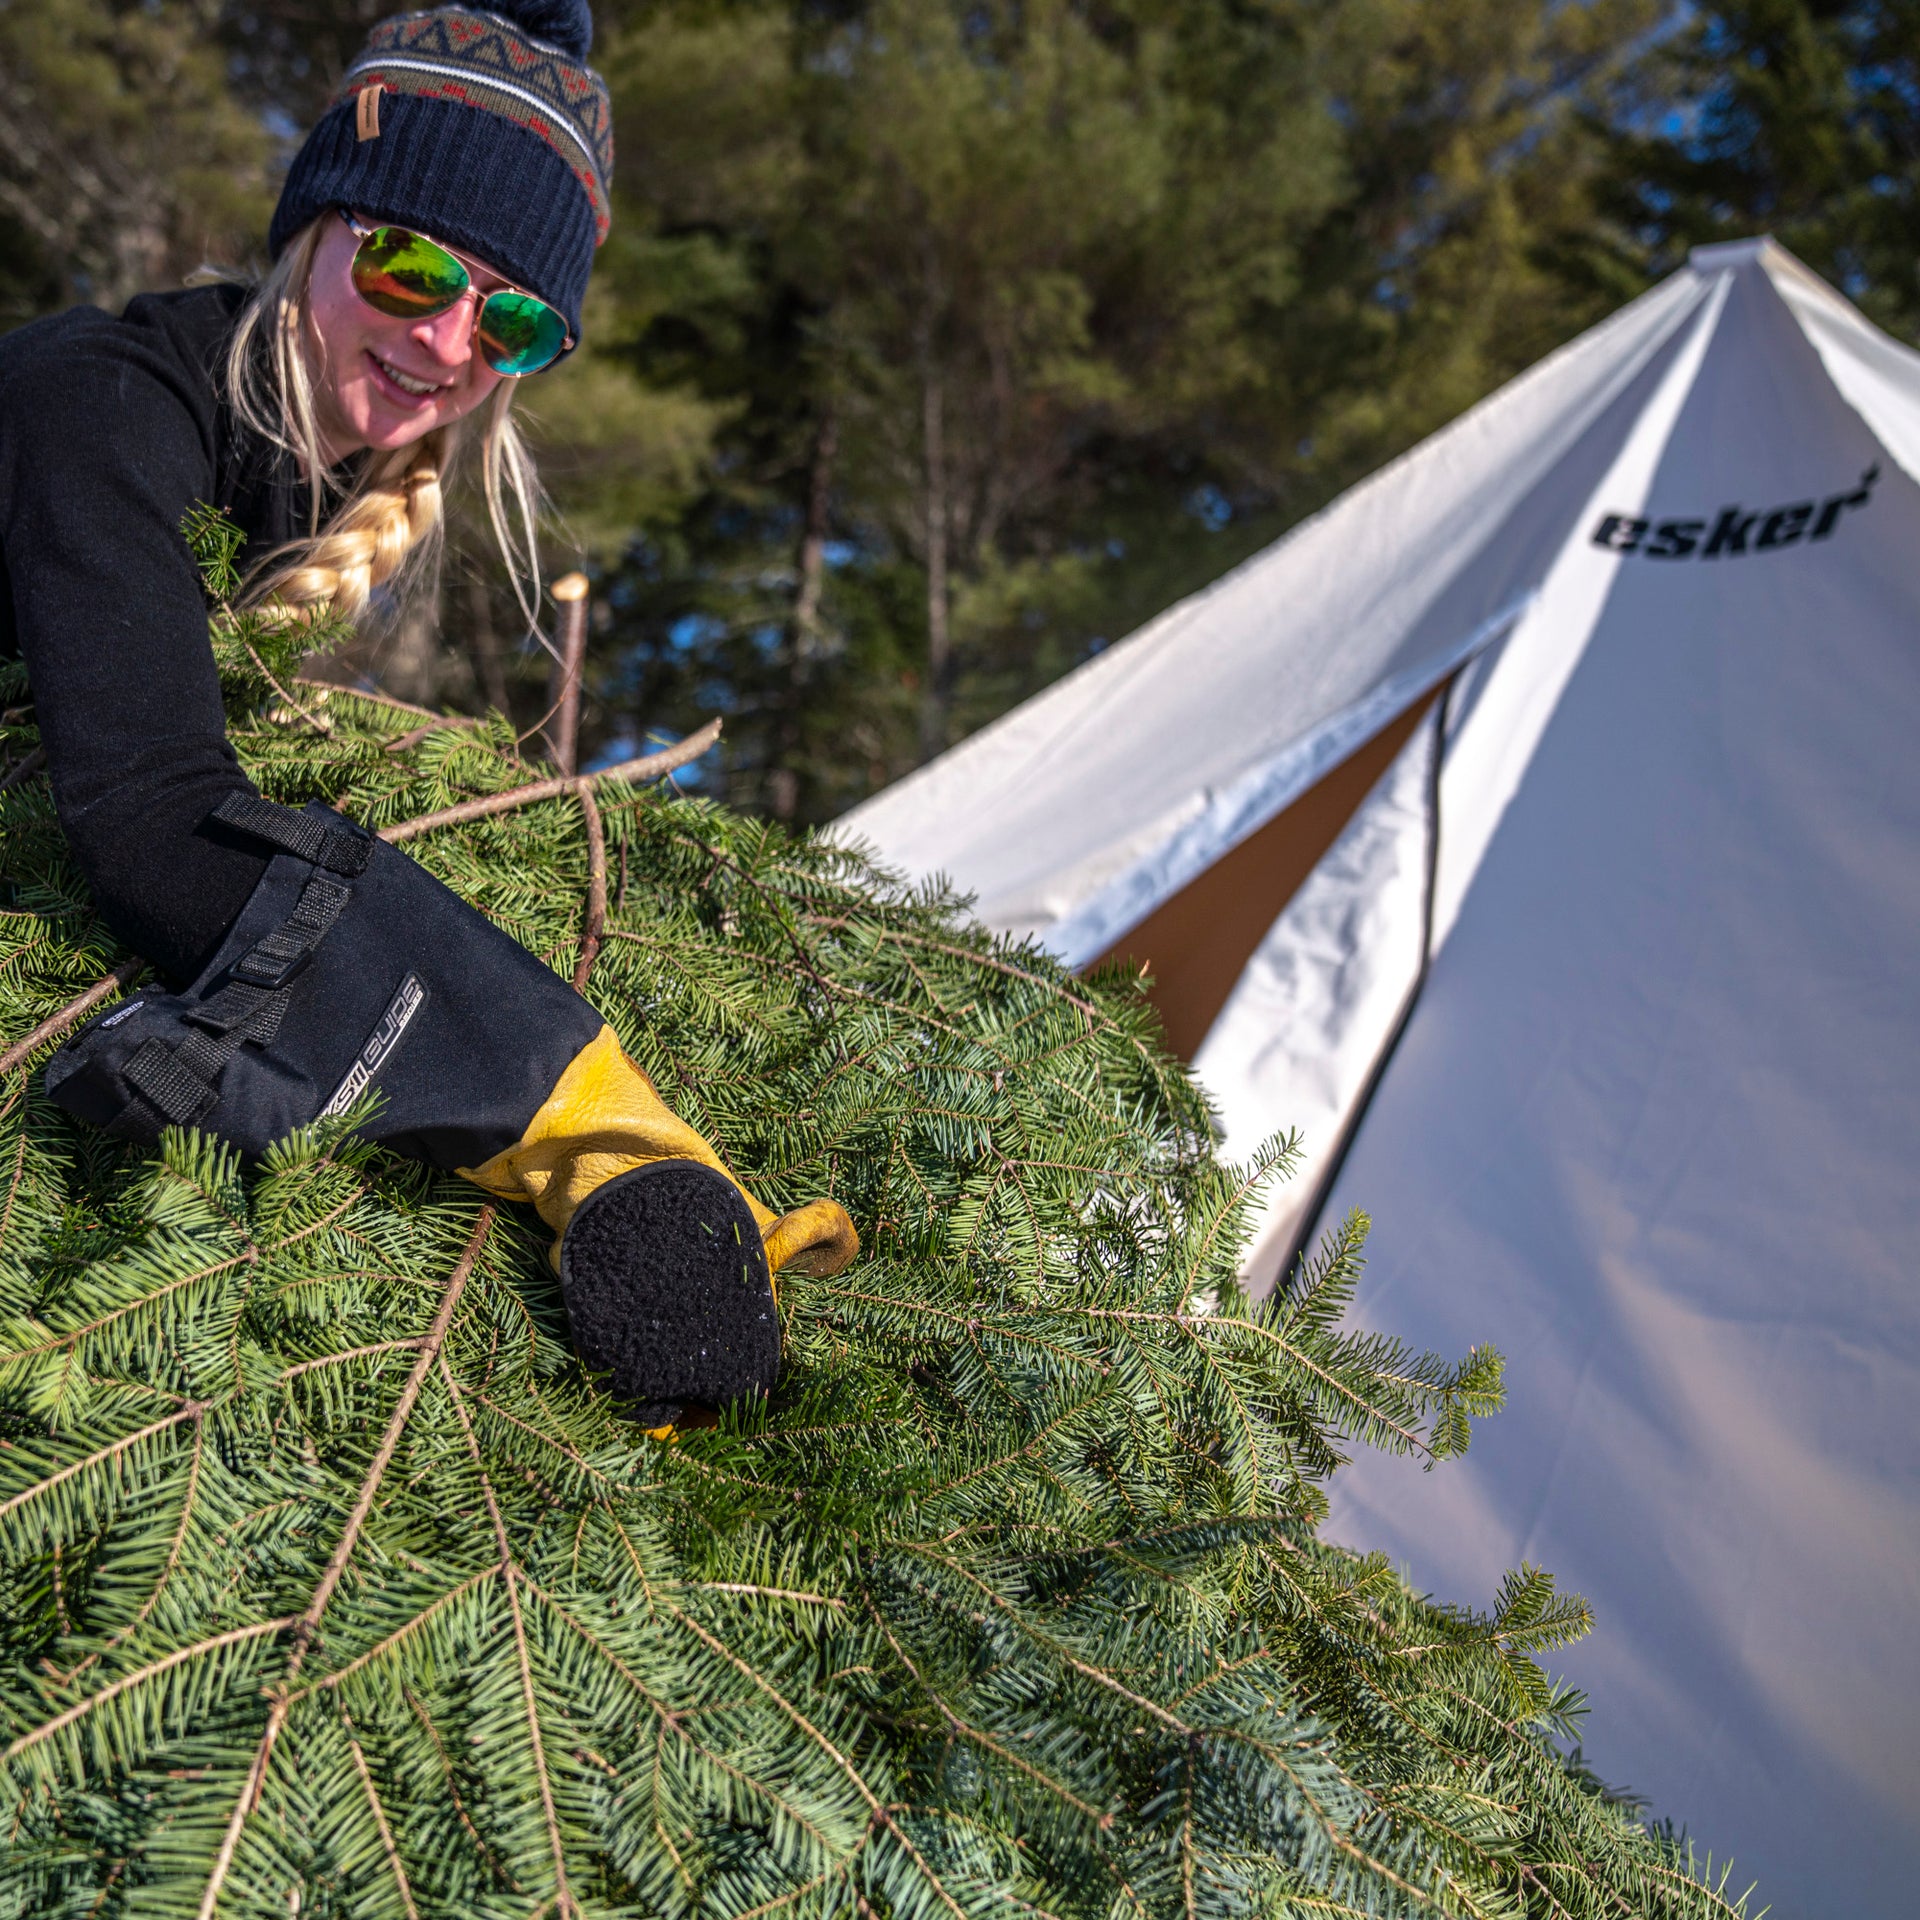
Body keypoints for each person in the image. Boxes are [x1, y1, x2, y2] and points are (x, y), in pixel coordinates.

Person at [0, 0, 856, 1429]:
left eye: (511, 317)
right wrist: (586, 1137)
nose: (448, 337)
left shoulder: (303, 484)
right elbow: (152, 812)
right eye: (411, 267)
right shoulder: (104, 405)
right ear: (317, 225)